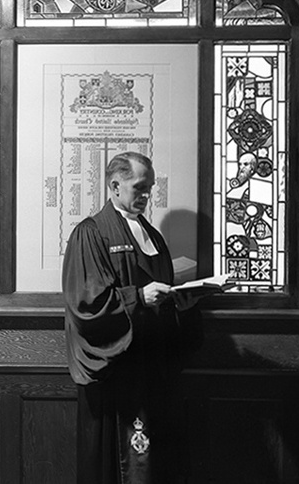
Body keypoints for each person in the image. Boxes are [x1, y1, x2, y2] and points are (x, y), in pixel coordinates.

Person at [62, 151, 202, 484]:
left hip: (152, 367)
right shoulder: (91, 233)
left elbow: (162, 290)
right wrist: (138, 297)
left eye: (149, 188)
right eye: (139, 188)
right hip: (117, 371)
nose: (146, 196)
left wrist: (180, 304)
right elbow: (86, 303)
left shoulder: (152, 236)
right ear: (114, 185)